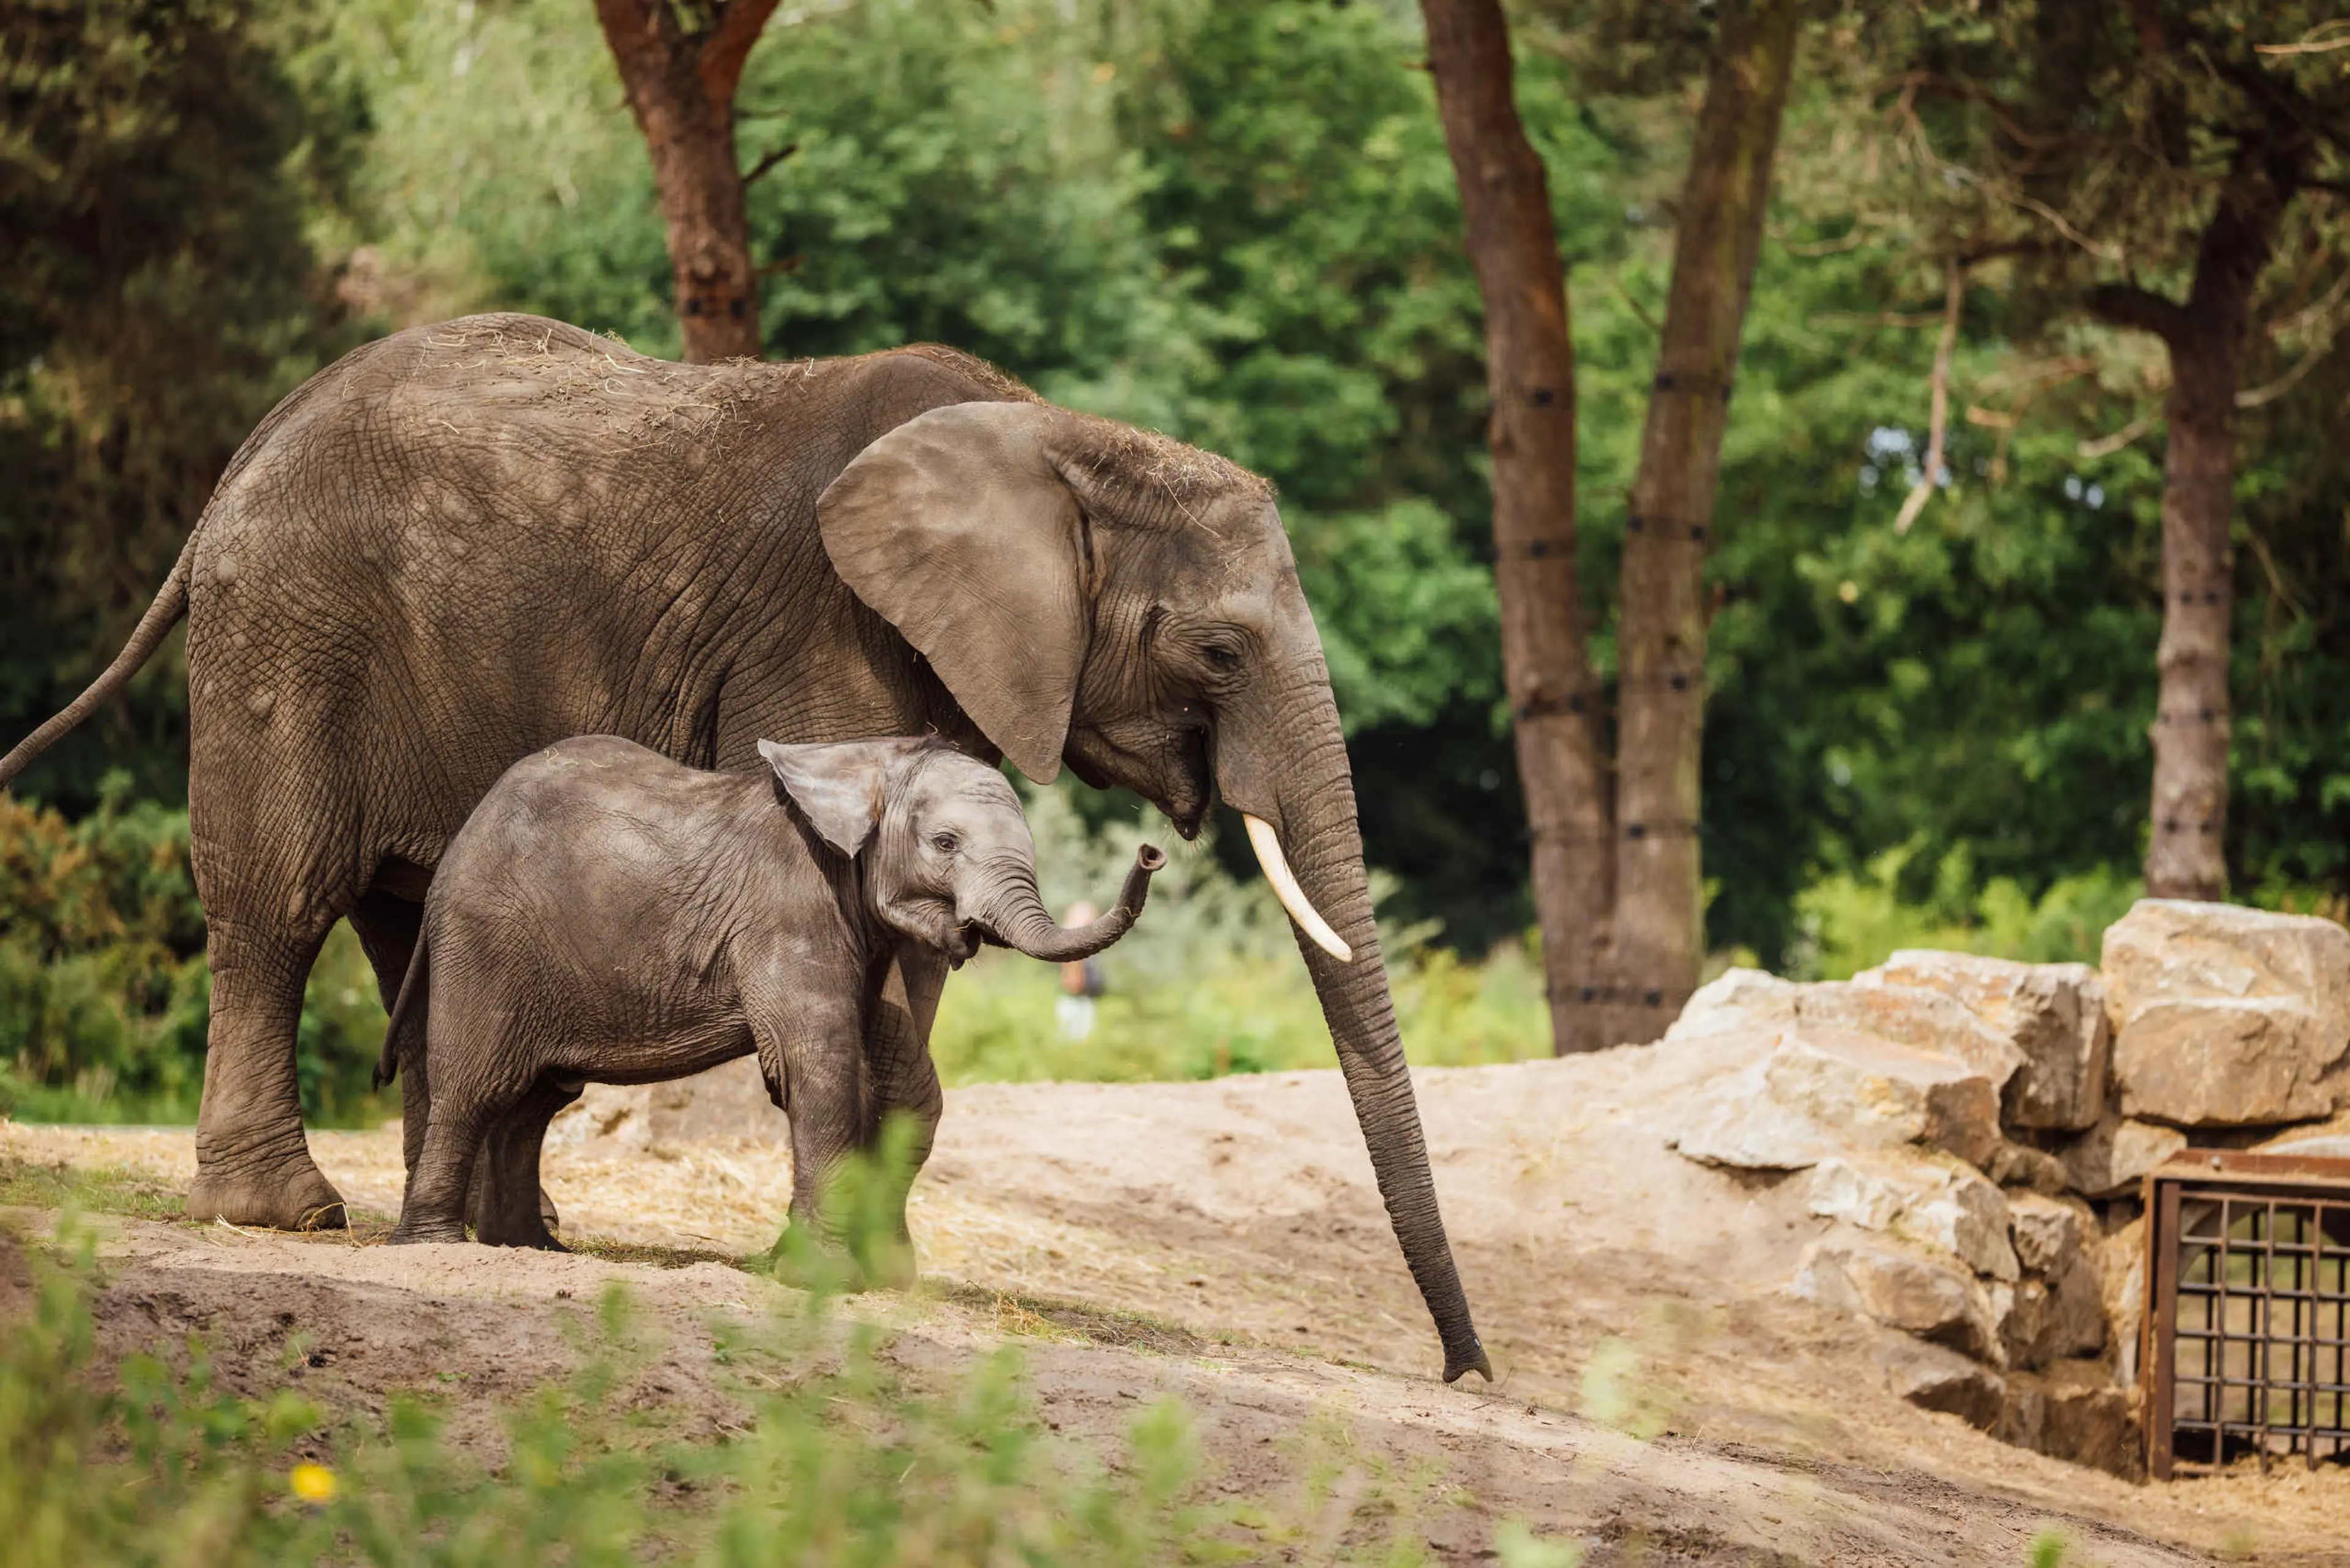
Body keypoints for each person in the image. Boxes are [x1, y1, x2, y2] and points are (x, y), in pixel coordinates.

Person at [1055, 900, 1107, 1040]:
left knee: (1081, 1033)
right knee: (1076, 1034)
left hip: (1084, 997)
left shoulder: (1084, 941)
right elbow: (1071, 972)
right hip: (1076, 998)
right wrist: (1075, 985)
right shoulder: (1072, 940)